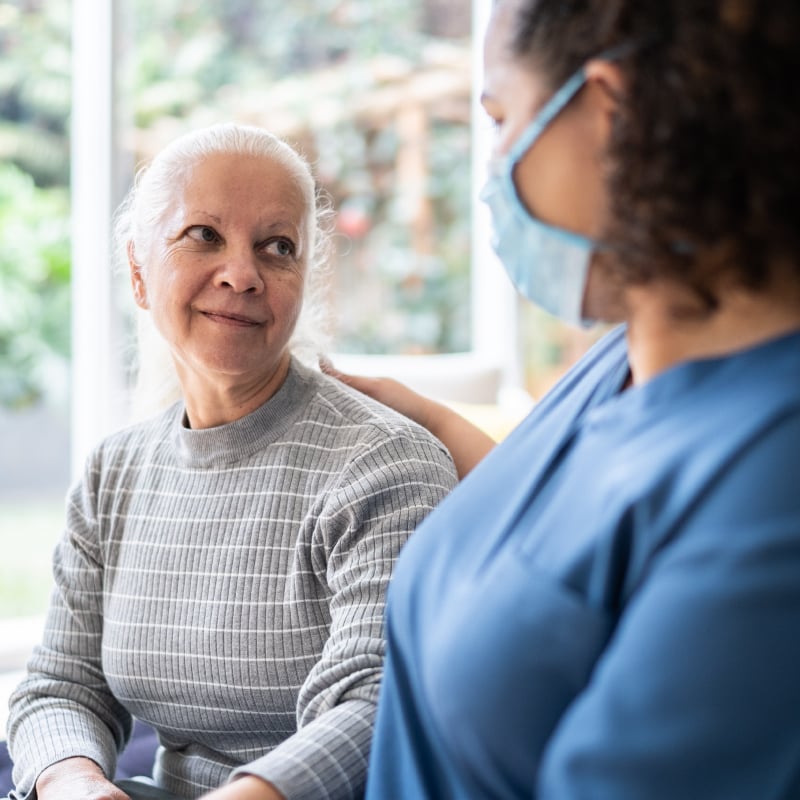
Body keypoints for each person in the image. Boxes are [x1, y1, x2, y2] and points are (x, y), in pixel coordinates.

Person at [328, 0, 800, 797]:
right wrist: (424, 421)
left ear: (611, 115)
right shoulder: (626, 353)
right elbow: (560, 535)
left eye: (502, 118)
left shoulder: (774, 475)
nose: (492, 174)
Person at [5, 122, 458, 800]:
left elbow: (375, 705)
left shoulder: (384, 463)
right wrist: (78, 785)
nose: (241, 275)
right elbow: (61, 684)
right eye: (204, 236)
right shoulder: (113, 473)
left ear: (306, 279)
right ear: (137, 270)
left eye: (277, 247)